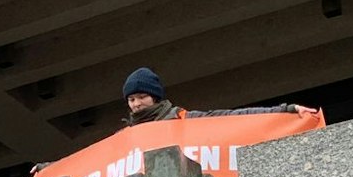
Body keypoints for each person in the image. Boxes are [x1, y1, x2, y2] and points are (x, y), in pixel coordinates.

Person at [121, 66, 303, 127]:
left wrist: (285, 111)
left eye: (142, 97)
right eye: (131, 99)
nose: (136, 104)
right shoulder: (125, 135)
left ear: (155, 97)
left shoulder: (182, 119)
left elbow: (232, 117)